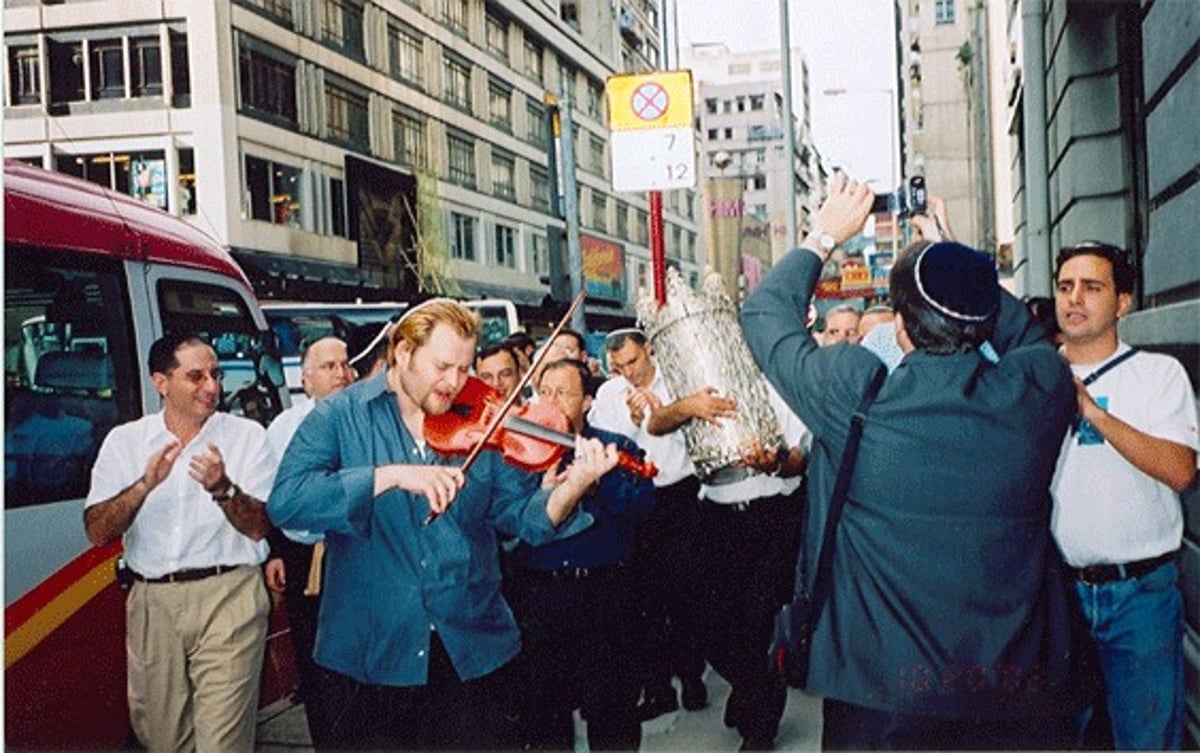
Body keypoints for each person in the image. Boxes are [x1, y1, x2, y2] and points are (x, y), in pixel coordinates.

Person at [741, 174, 1085, 749]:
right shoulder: (1038, 390)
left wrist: (824, 233)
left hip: (879, 697)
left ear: (899, 327)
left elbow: (764, 313)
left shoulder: (858, 396)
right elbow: (1024, 337)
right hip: (1008, 691)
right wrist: (956, 261)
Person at [267, 299, 620, 751]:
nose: (456, 382)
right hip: (371, 660)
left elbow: (525, 520)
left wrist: (574, 487)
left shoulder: (481, 417)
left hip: (472, 653)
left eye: (465, 367)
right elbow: (287, 503)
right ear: (402, 352)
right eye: (443, 366)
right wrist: (388, 477)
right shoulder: (340, 416)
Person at [84, 333, 275, 753]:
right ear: (160, 382)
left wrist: (223, 488)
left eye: (215, 374)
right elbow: (98, 531)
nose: (212, 387)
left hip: (229, 597)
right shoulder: (125, 442)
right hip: (153, 602)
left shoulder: (247, 437)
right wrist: (144, 486)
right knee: (164, 739)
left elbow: (260, 526)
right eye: (196, 376)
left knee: (221, 742)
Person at [1050, 241, 1197, 749]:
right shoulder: (1033, 374)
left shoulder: (1158, 375)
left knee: (1147, 740)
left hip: (1141, 598)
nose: (1075, 299)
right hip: (1058, 595)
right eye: (1066, 287)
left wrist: (1093, 412)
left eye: (1092, 287)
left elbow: (1181, 470)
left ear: (1123, 302)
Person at [505, 358, 655, 751]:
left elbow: (640, 507)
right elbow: (508, 526)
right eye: (545, 392)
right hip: (541, 596)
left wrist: (595, 482)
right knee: (545, 713)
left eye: (564, 393)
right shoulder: (517, 450)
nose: (551, 402)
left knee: (613, 708)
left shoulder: (616, 446)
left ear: (588, 401)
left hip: (603, 593)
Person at [590, 328, 723, 720]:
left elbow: (697, 443)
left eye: (632, 362)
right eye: (617, 367)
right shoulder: (608, 394)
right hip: (632, 499)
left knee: (683, 595)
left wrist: (666, 413)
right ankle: (657, 687)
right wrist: (633, 421)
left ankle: (691, 675)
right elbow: (605, 446)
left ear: (649, 350)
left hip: (678, 496)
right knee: (640, 599)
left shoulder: (681, 379)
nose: (627, 373)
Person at [688, 385, 810, 751]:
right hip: (716, 515)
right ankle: (746, 687)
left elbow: (800, 459)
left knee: (760, 621)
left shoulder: (782, 383)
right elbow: (661, 425)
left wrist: (772, 463)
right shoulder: (701, 381)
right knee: (711, 621)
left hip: (770, 514)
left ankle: (762, 727)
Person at [263, 337, 354, 743]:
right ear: (306, 379)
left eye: (344, 365)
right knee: (315, 665)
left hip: (356, 552)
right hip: (303, 560)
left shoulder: (366, 419)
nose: (340, 374)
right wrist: (275, 553)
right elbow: (271, 498)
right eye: (329, 366)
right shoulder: (284, 428)